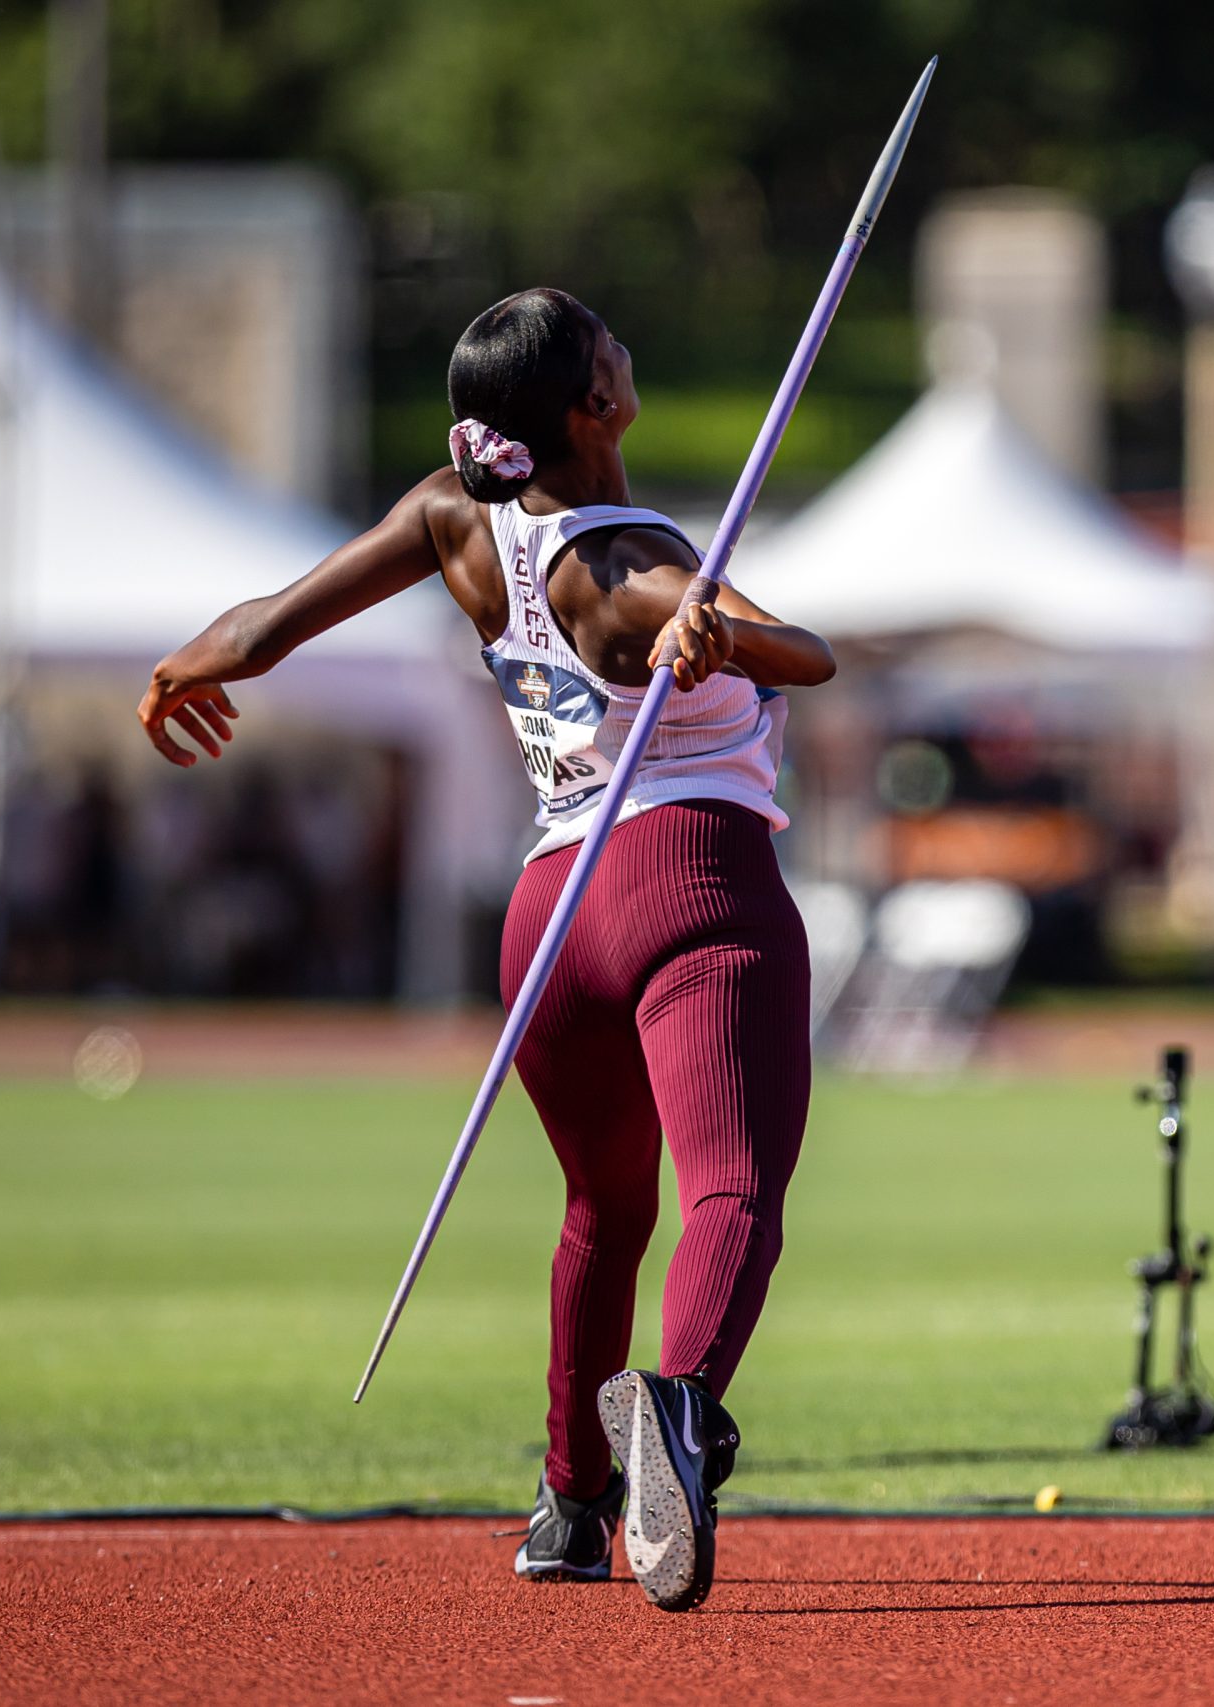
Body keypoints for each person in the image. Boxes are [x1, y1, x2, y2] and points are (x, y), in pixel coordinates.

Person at [135, 289, 836, 1612]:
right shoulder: (631, 571)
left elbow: (270, 624)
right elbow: (815, 657)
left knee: (603, 1208)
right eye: (611, 346)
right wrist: (724, 631)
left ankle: (571, 1501)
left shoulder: (455, 516)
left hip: (550, 917)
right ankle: (678, 1413)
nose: (629, 346)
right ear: (595, 406)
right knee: (731, 1190)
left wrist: (189, 663)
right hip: (690, 882)